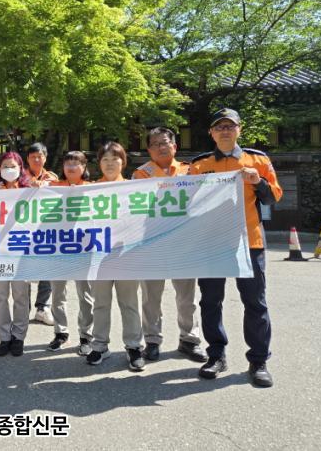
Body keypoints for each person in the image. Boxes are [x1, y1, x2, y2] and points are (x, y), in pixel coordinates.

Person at [189, 108, 282, 387]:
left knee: (255, 302)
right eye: (219, 127)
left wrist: (259, 182)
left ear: (239, 129)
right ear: (211, 133)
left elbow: (273, 197)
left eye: (230, 126)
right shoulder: (199, 165)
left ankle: (259, 361)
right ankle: (216, 355)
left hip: (249, 241)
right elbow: (185, 201)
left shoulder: (258, 160)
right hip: (211, 243)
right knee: (210, 301)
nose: (225, 131)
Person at [132, 127, 207, 363]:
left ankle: (189, 339)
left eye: (164, 142)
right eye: (155, 144)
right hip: (151, 244)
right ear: (148, 150)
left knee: (187, 296)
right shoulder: (140, 175)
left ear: (174, 146)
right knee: (151, 297)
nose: (160, 147)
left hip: (183, 244)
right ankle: (152, 340)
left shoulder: (190, 171)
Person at [86, 142, 145, 372]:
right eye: (105, 159)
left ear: (123, 162)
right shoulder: (90, 190)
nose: (110, 163)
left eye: (115, 159)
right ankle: (99, 345)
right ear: (99, 163)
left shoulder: (135, 189)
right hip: (99, 256)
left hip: (127, 255)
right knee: (100, 303)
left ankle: (134, 347)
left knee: (129, 303)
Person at [47, 151, 95, 356]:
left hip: (84, 248)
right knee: (58, 293)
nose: (71, 167)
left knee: (86, 294)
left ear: (84, 167)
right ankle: (61, 332)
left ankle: (86, 335)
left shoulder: (94, 189)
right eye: (67, 163)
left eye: (76, 163)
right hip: (58, 247)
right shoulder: (53, 188)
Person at [0, 152, 32, 357]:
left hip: (21, 250)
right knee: (0, 296)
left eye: (13, 166)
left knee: (21, 295)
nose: (9, 170)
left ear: (21, 168)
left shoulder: (29, 190)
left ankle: (19, 336)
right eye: (5, 166)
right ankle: (4, 337)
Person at [25, 142, 57, 326]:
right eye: (33, 157)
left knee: (47, 268)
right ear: (27, 159)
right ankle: (24, 309)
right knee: (24, 270)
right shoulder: (19, 178)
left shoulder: (52, 178)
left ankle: (42, 307)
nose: (36, 159)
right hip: (23, 230)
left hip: (45, 229)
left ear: (45, 158)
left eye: (40, 156)